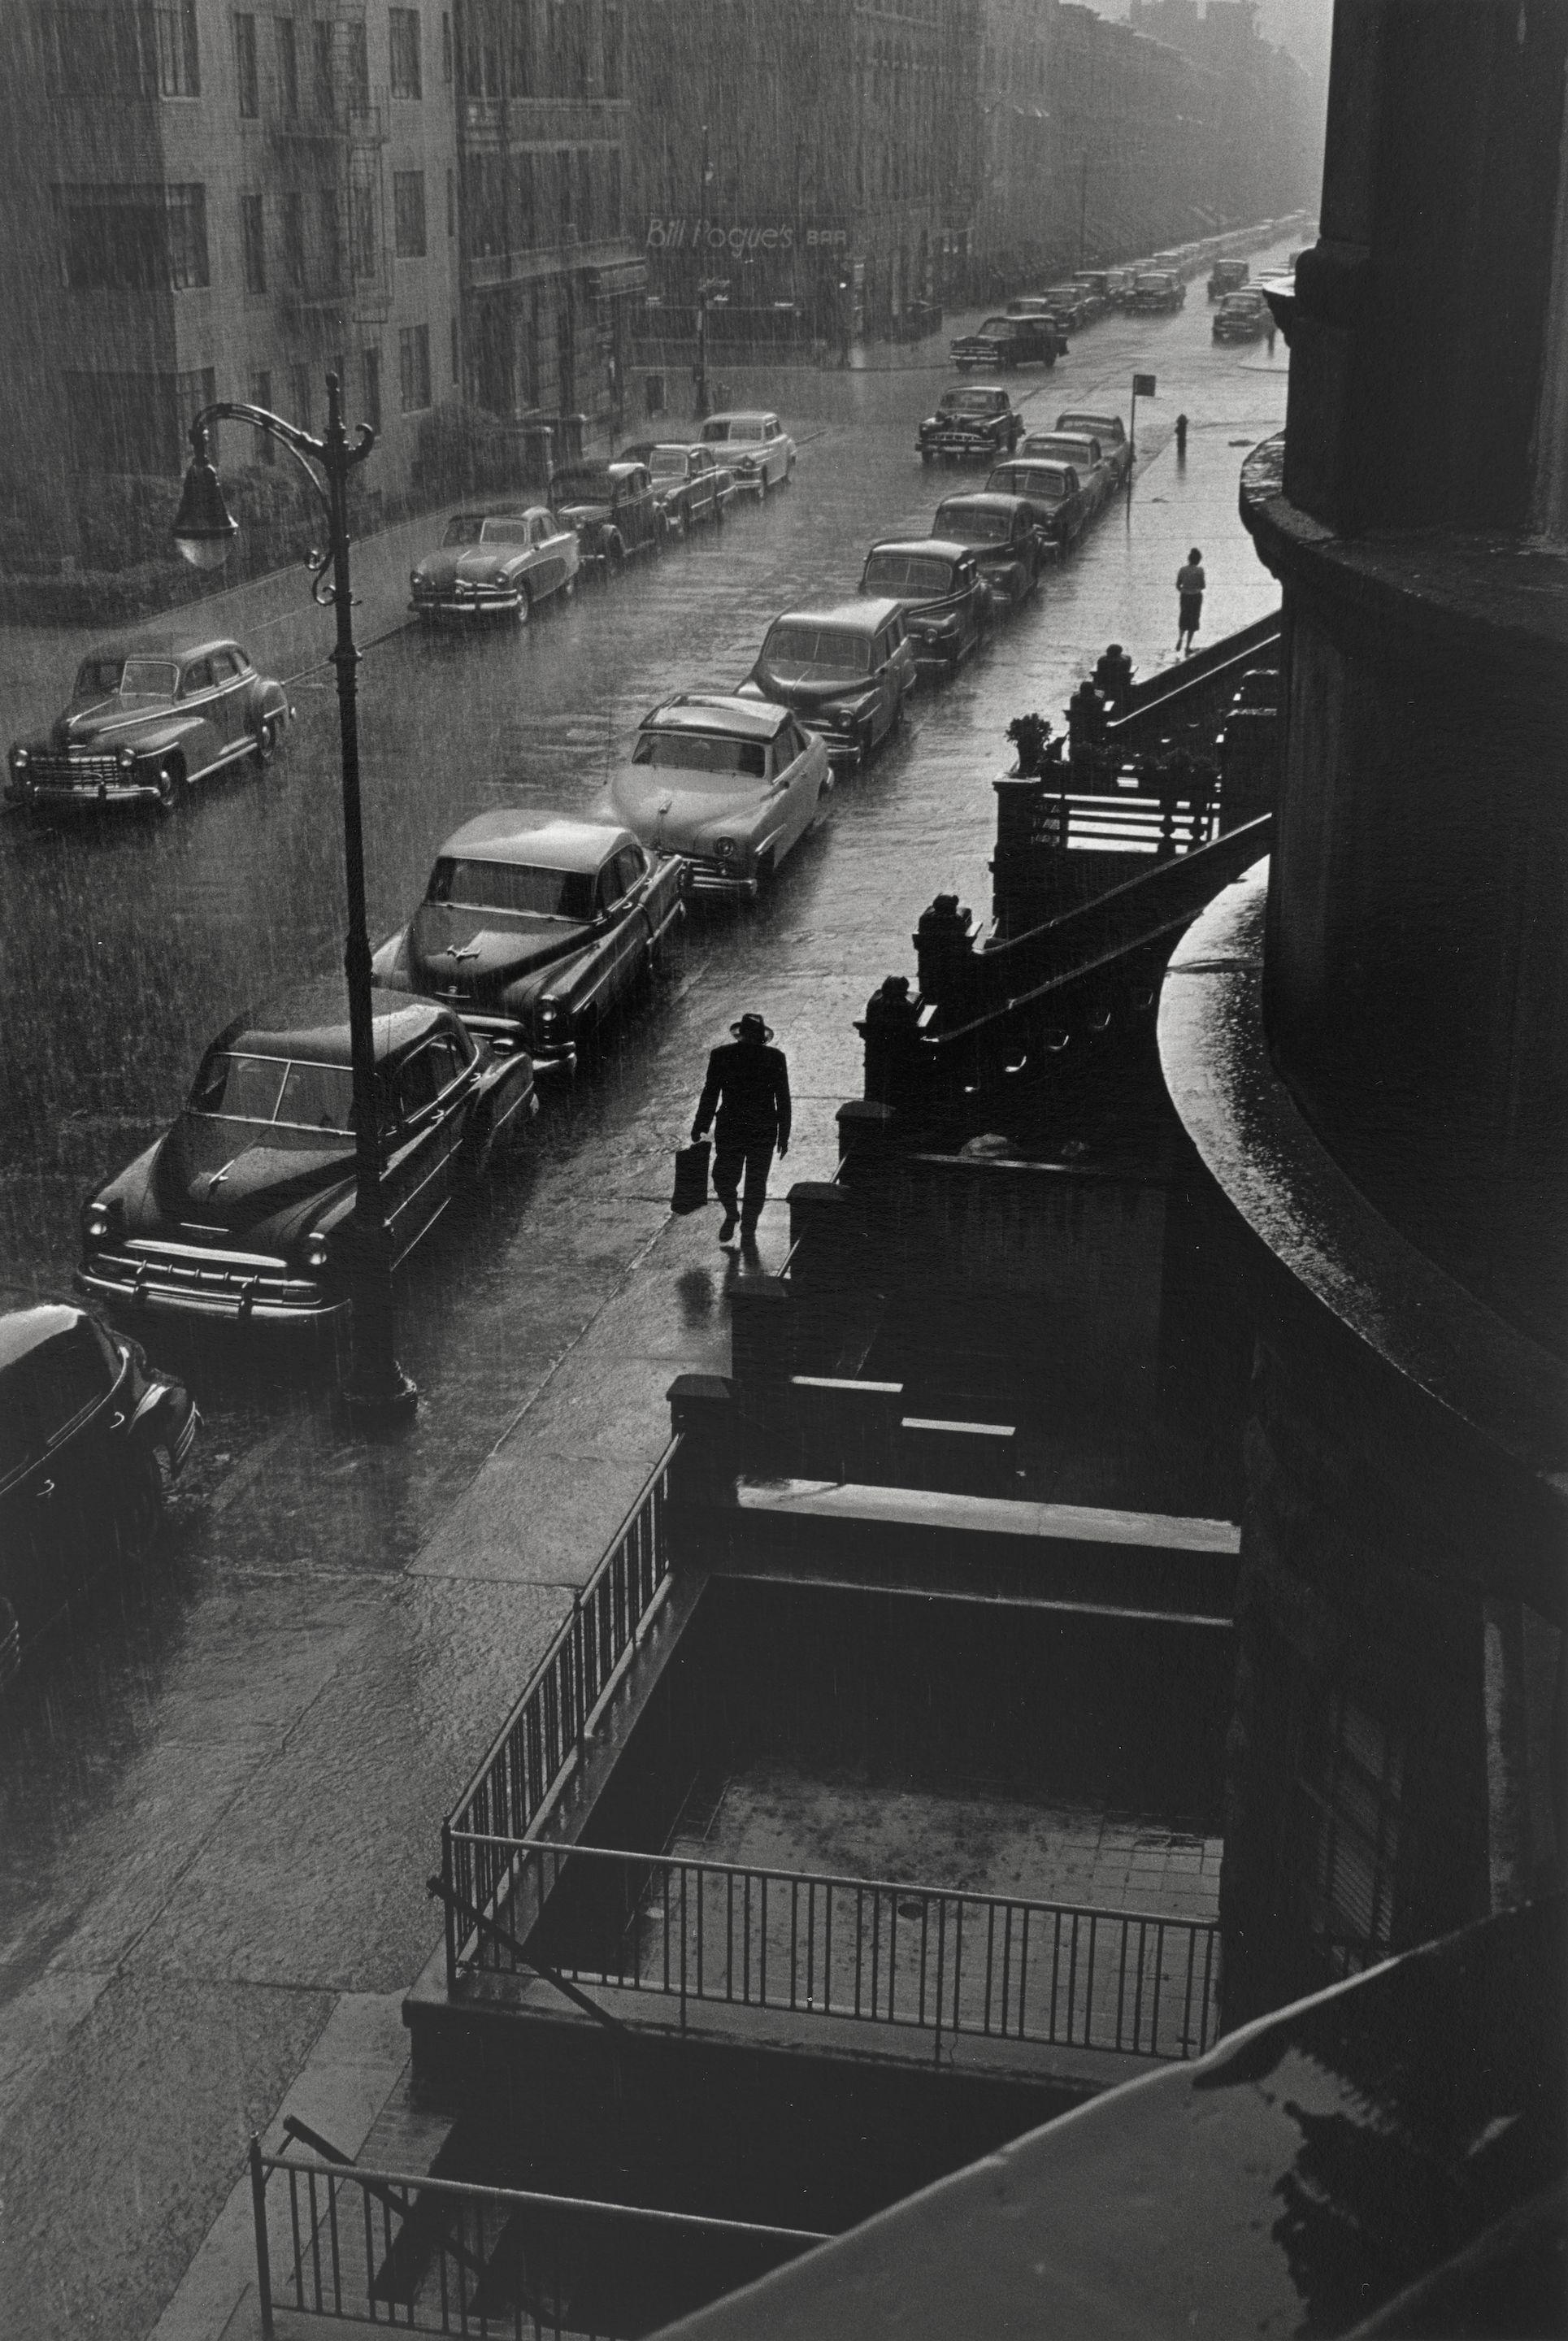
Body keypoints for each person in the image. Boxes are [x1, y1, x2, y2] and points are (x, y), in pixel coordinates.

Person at [691, 1013, 791, 1245]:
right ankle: (744, 1223)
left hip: (733, 1127)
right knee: (753, 1181)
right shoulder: (775, 1058)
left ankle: (740, 1220)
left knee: (725, 1178)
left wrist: (701, 1125)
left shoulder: (722, 1056)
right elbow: (783, 1100)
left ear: (741, 1035)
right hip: (762, 1128)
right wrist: (783, 1134)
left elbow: (710, 1094)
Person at [1176, 546, 1205, 654]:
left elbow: (1178, 585)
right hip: (1196, 597)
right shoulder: (1200, 570)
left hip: (1185, 596)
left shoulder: (1182, 570)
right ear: (1198, 560)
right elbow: (1203, 586)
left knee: (1184, 617)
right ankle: (1187, 646)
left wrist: (1184, 591)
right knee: (1193, 621)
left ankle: (1180, 638)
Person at [1093, 641, 1135, 715]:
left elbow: (1099, 672)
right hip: (1121, 683)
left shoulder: (1102, 660)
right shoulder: (1126, 659)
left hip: (1105, 683)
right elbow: (1127, 670)